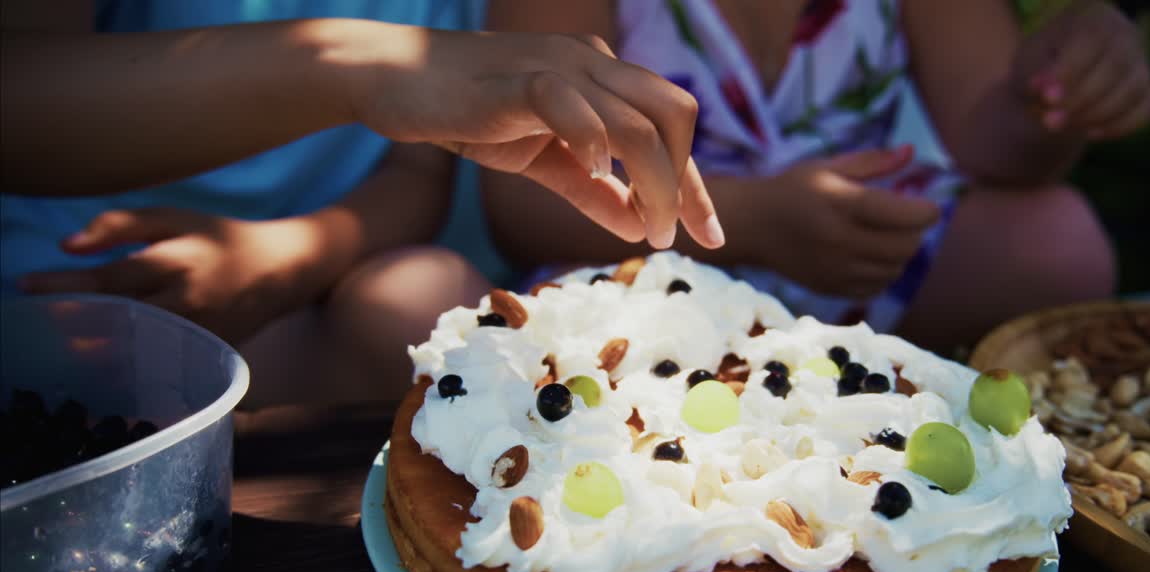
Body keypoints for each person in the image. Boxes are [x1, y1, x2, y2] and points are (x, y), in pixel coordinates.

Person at [1, 0, 723, 406]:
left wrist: (296, 252)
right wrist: (358, 66)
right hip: (91, 267)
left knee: (430, 307)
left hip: (323, 268)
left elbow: (416, 169)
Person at [482, 0, 1150, 350]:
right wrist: (758, 224)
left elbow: (994, 147)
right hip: (645, 271)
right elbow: (518, 200)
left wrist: (1051, 96)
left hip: (862, 260)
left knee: (1058, 245)